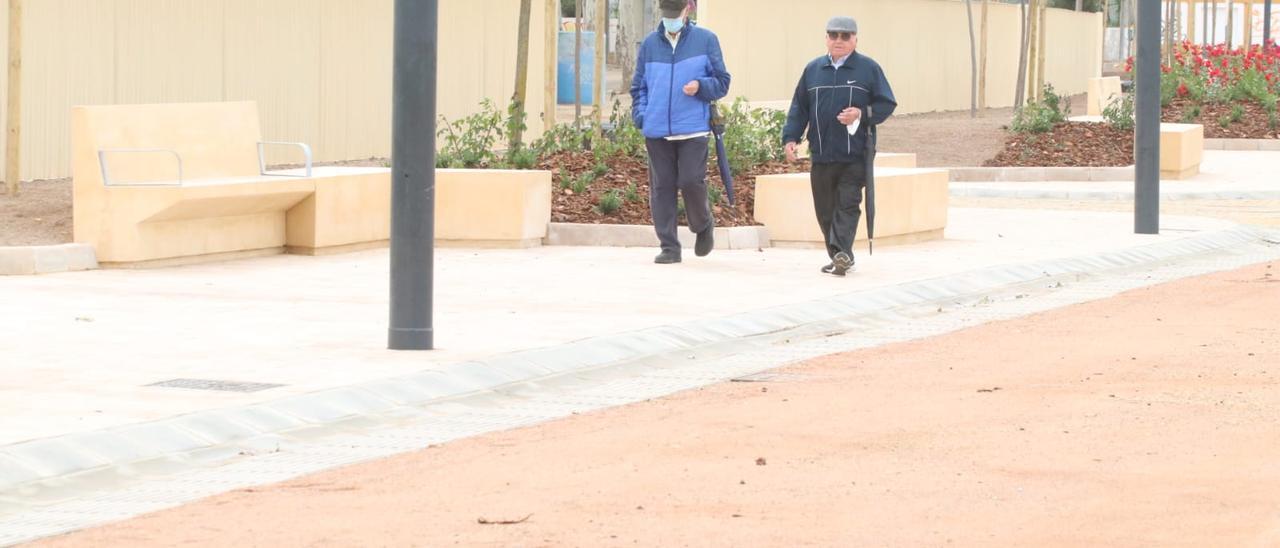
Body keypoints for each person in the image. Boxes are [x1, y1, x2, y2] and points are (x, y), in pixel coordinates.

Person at [782, 16, 897, 276]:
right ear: (826, 38)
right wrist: (790, 138)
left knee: (847, 203)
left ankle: (842, 253)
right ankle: (839, 255)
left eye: (845, 36)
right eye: (833, 35)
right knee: (825, 209)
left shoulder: (868, 69)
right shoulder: (813, 70)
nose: (839, 40)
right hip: (821, 153)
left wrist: (860, 113)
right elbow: (799, 108)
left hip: (855, 154)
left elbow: (886, 104)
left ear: (855, 39)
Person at [630, 0, 731, 264]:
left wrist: (700, 85)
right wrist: (642, 116)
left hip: (693, 129)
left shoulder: (706, 40)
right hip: (656, 131)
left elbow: (722, 82)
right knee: (661, 187)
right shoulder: (650, 45)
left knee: (690, 181)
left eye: (675, 14)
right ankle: (669, 247)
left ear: (688, 10)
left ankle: (703, 225)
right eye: (667, 14)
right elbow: (638, 87)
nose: (670, 19)